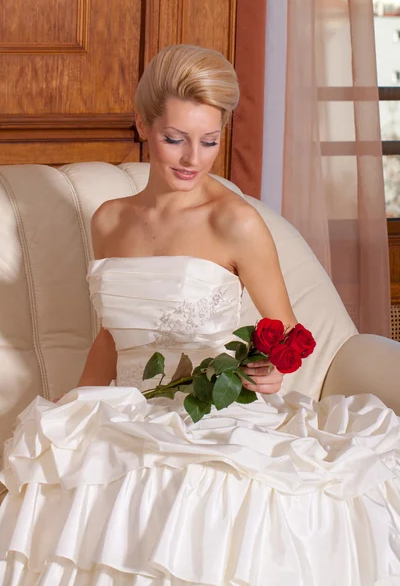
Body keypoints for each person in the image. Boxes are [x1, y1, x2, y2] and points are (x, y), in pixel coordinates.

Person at [0, 44, 399, 586]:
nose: (192, 159)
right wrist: (74, 411)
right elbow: (111, 336)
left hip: (218, 413)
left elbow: (283, 339)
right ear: (143, 124)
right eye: (175, 139)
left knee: (194, 488)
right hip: (128, 409)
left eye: (209, 142)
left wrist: (270, 371)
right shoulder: (109, 221)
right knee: (74, 472)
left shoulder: (235, 221)